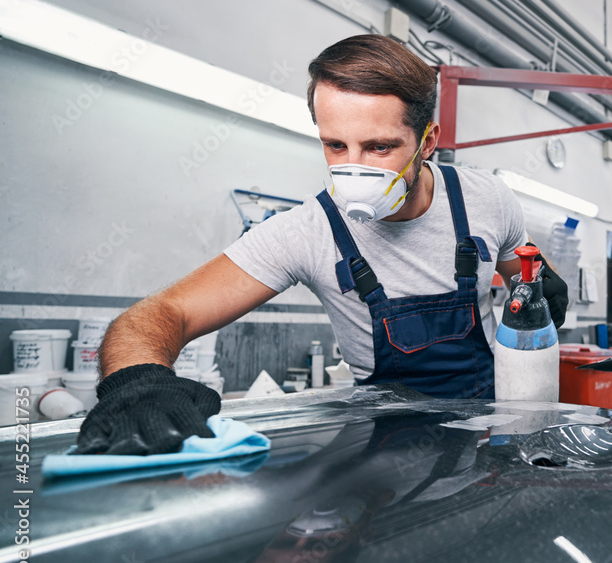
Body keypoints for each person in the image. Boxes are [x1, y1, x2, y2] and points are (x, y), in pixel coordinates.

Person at [74, 34, 568, 456]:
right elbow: (161, 313)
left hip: (490, 435)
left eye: (378, 147)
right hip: (382, 457)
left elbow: (522, 267)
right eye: (336, 146)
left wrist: (542, 283)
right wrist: (138, 381)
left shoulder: (487, 200)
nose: (355, 168)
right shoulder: (306, 232)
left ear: (428, 140)